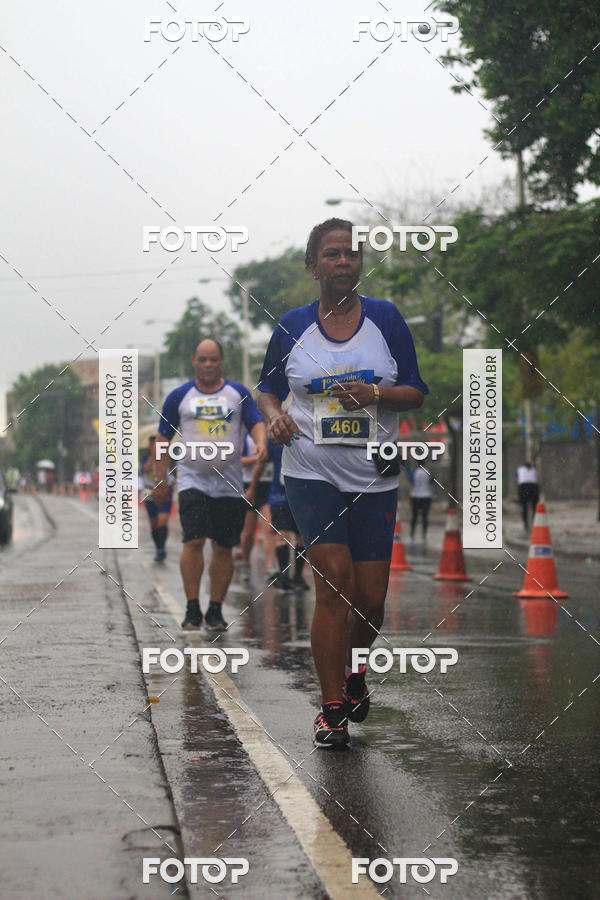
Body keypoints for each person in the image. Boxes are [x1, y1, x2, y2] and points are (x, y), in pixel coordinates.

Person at [257, 218, 427, 748]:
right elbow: (267, 390)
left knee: (371, 599)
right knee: (334, 578)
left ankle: (355, 673)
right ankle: (331, 707)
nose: (343, 262)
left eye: (352, 254)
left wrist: (376, 395)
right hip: (311, 471)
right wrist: (275, 418)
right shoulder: (291, 325)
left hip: (373, 474)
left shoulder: (386, 319)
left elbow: (416, 391)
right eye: (332, 255)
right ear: (314, 266)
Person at [153, 339, 267, 631]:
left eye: (213, 360)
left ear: (221, 362)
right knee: (193, 541)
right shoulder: (179, 396)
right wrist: (160, 479)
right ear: (194, 361)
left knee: (224, 546)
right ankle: (193, 609)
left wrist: (262, 442)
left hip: (230, 483)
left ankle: (215, 609)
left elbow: (256, 422)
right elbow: (162, 440)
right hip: (193, 478)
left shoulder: (237, 393)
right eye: (202, 359)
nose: (207, 365)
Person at [265, 439, 308, 591]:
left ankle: (297, 575)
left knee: (301, 537)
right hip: (279, 496)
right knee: (281, 533)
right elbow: (262, 458)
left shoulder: (305, 439)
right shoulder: (274, 442)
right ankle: (284, 574)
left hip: (302, 495)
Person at [239, 433, 276, 581]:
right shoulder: (245, 437)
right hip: (248, 485)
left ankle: (270, 567)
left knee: (269, 528)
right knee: (248, 532)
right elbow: (239, 461)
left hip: (268, 485)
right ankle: (245, 562)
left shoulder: (272, 436)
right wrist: (257, 458)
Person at [140, 435, 173, 562]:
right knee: (154, 524)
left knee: (162, 521)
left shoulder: (169, 457)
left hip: (166, 491)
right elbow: (143, 470)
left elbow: (175, 473)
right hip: (149, 492)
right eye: (152, 445)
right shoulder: (145, 458)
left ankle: (162, 548)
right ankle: (158, 547)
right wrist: (151, 460)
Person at [408, 462, 434, 540]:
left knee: (414, 516)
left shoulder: (413, 472)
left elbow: (410, 481)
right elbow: (432, 482)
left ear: (417, 464)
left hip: (415, 496)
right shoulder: (428, 472)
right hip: (426, 496)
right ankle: (424, 534)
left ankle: (412, 534)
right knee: (425, 516)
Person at [515, 461, 540, 531]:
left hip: (523, 487)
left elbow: (516, 478)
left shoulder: (519, 469)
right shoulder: (534, 470)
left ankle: (526, 526)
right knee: (535, 507)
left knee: (524, 507)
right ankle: (535, 524)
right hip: (534, 487)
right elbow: (537, 478)